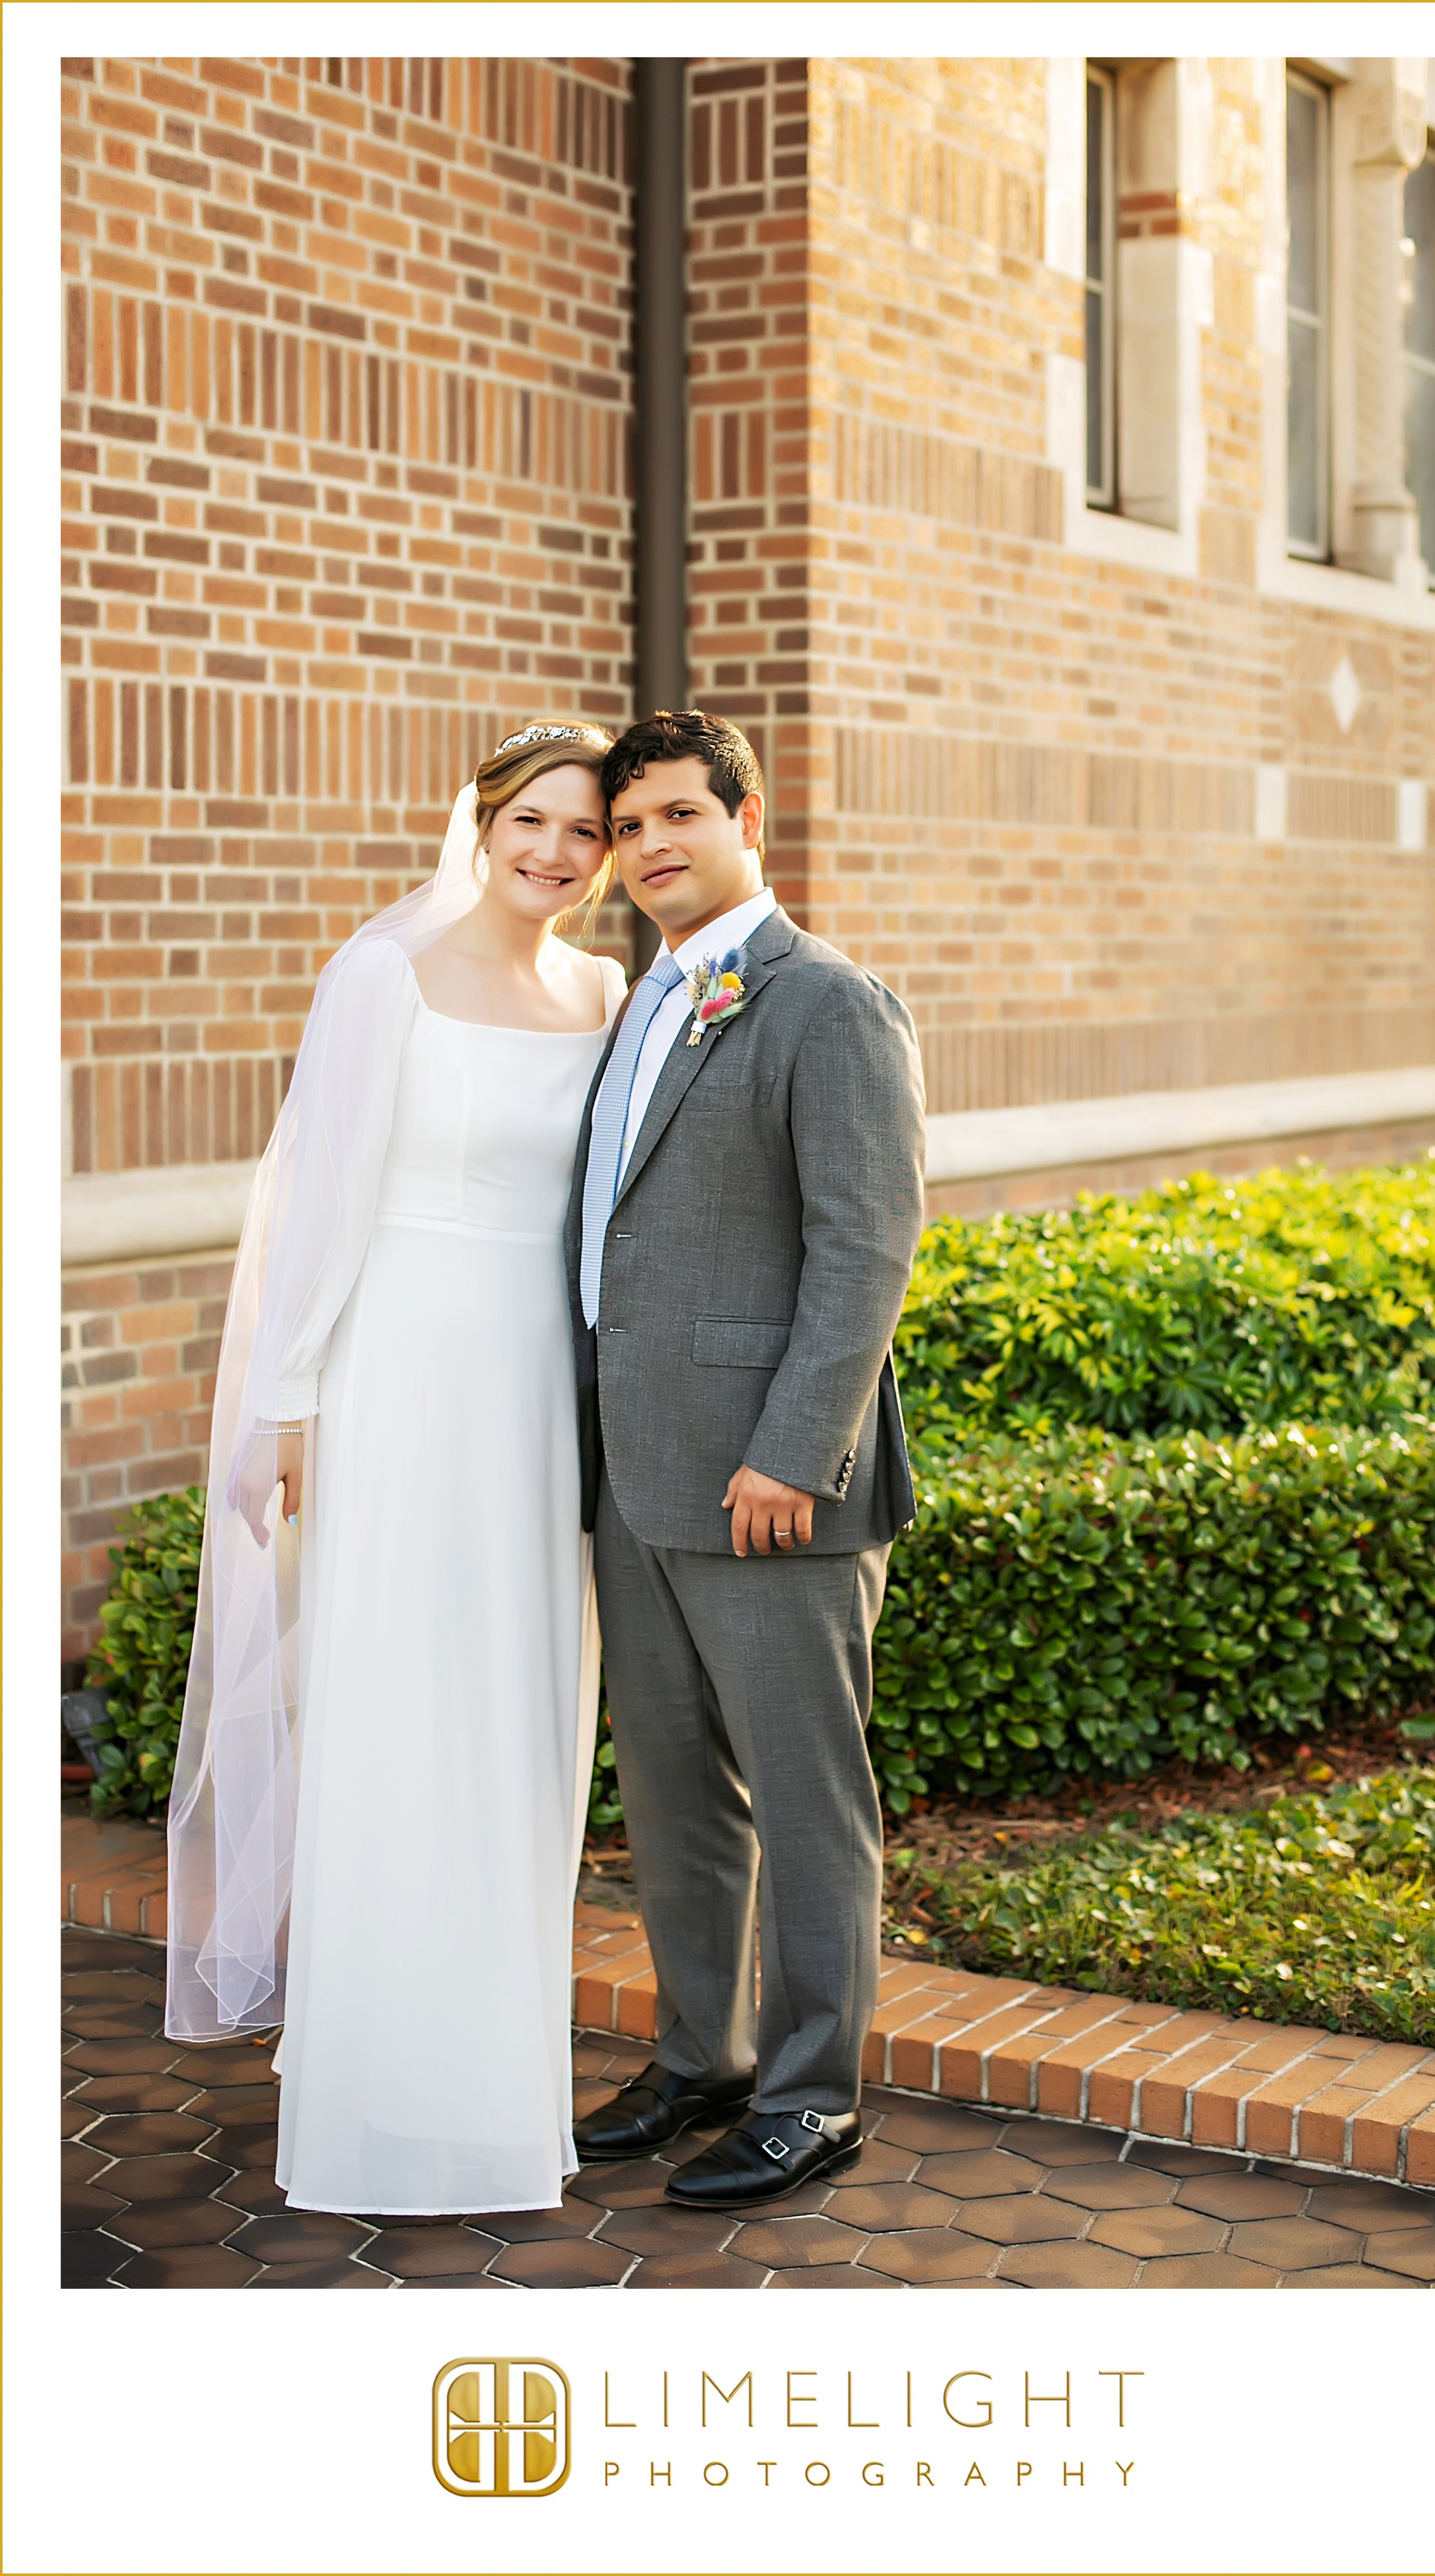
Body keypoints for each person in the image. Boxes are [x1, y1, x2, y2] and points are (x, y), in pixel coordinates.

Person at [164, 721, 628, 2219]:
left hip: (534, 1389)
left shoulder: (606, 991)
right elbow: (320, 1190)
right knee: (396, 1704)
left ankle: (492, 2082)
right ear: (481, 821)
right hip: (398, 1373)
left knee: (519, 1710)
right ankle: (374, 2087)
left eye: (586, 834)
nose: (557, 855)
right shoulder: (385, 974)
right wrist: (285, 1403)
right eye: (534, 823)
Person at [564, 710, 926, 2211]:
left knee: (802, 1790)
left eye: (674, 816)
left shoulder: (821, 1000)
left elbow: (866, 1243)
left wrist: (793, 1449)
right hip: (633, 1473)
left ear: (743, 817)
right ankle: (701, 2055)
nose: (650, 846)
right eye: (628, 824)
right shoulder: (640, 1000)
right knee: (671, 1793)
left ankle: (810, 2092)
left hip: (767, 1485)